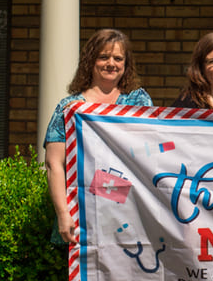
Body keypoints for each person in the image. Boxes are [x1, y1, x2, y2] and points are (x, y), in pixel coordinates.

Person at [43, 28, 153, 244]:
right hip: (82, 215)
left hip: (129, 216)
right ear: (90, 61)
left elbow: (147, 153)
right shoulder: (69, 108)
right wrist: (63, 214)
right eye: (103, 57)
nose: (111, 63)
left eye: (118, 58)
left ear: (126, 64)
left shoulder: (138, 102)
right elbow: (54, 164)